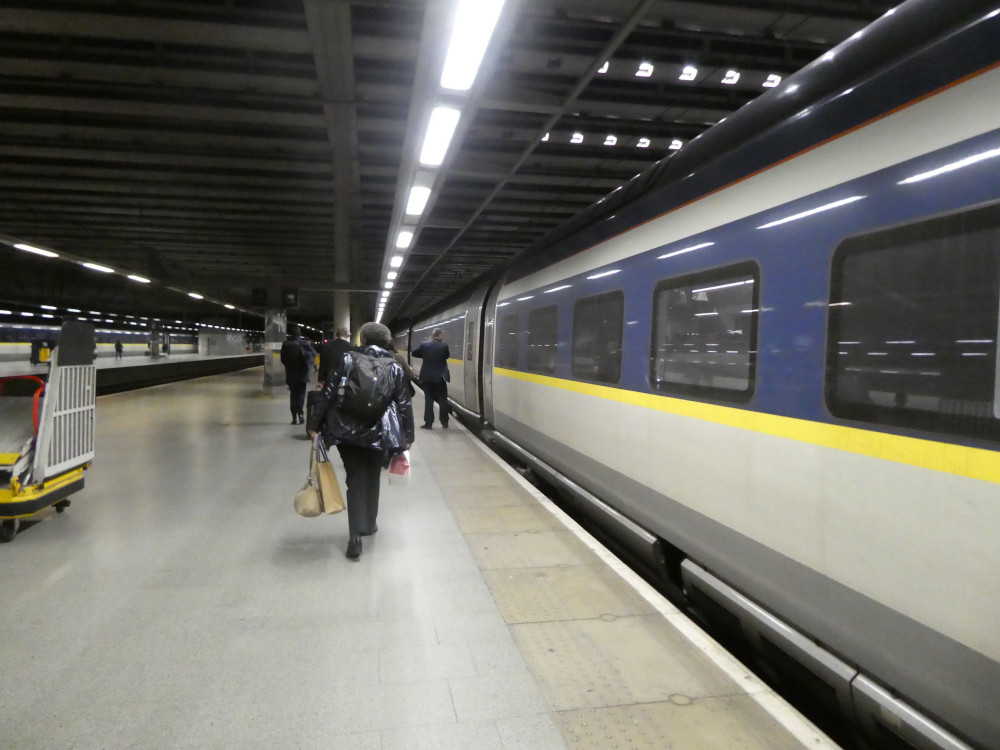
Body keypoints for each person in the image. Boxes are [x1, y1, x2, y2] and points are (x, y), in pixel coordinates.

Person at [307, 322, 414, 560]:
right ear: (386, 341)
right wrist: (408, 436)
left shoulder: (347, 359)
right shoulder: (394, 366)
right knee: (373, 475)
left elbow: (328, 394)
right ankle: (369, 524)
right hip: (380, 432)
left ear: (362, 339)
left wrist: (314, 425)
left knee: (354, 480)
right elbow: (404, 403)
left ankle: (354, 536)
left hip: (347, 431)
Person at [411, 327, 450, 429]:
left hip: (427, 378)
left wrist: (424, 354)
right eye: (442, 335)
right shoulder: (444, 346)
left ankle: (428, 423)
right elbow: (446, 356)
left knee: (429, 400)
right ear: (439, 335)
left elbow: (414, 353)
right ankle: (444, 422)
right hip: (440, 378)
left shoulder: (424, 345)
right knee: (442, 400)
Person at [280, 324, 316, 425]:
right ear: (299, 334)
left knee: (293, 395)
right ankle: (300, 414)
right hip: (302, 373)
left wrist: (289, 366)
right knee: (301, 394)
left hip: (290, 373)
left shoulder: (285, 344)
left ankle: (294, 417)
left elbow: (282, 359)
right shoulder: (304, 343)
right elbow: (314, 354)